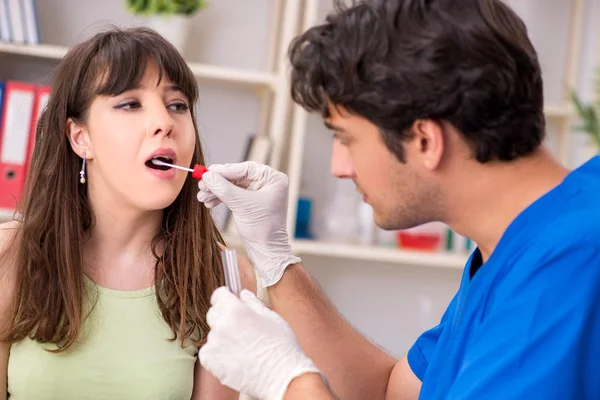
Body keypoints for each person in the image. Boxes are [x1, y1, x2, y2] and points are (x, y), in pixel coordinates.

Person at [195, 0, 600, 399]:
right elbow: (391, 391)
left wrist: (287, 384)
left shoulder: (567, 265)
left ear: (425, 140)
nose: (340, 166)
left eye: (345, 138)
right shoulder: (514, 245)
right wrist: (274, 258)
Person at [0, 27, 256, 399]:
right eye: (130, 104)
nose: (165, 123)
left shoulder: (223, 279)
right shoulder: (10, 255)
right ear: (79, 138)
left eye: (177, 105)